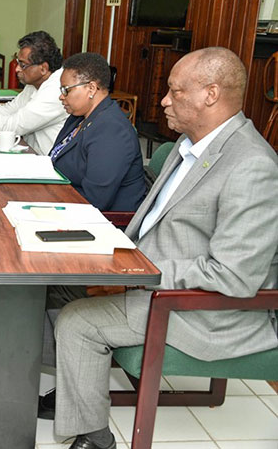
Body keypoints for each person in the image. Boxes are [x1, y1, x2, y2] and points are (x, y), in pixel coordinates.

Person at [51, 47, 278, 449]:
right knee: (49, 285)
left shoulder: (251, 165)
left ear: (210, 94)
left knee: (77, 321)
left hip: (196, 306)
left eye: (175, 91)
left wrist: (137, 275)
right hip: (150, 274)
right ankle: (75, 388)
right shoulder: (188, 145)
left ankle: (95, 437)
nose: (164, 101)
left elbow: (235, 275)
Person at [50, 52, 146, 211]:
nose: (61, 96)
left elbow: (95, 200)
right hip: (62, 200)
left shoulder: (113, 131)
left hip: (99, 220)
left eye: (66, 90)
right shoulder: (78, 117)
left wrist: (45, 199)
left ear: (91, 88)